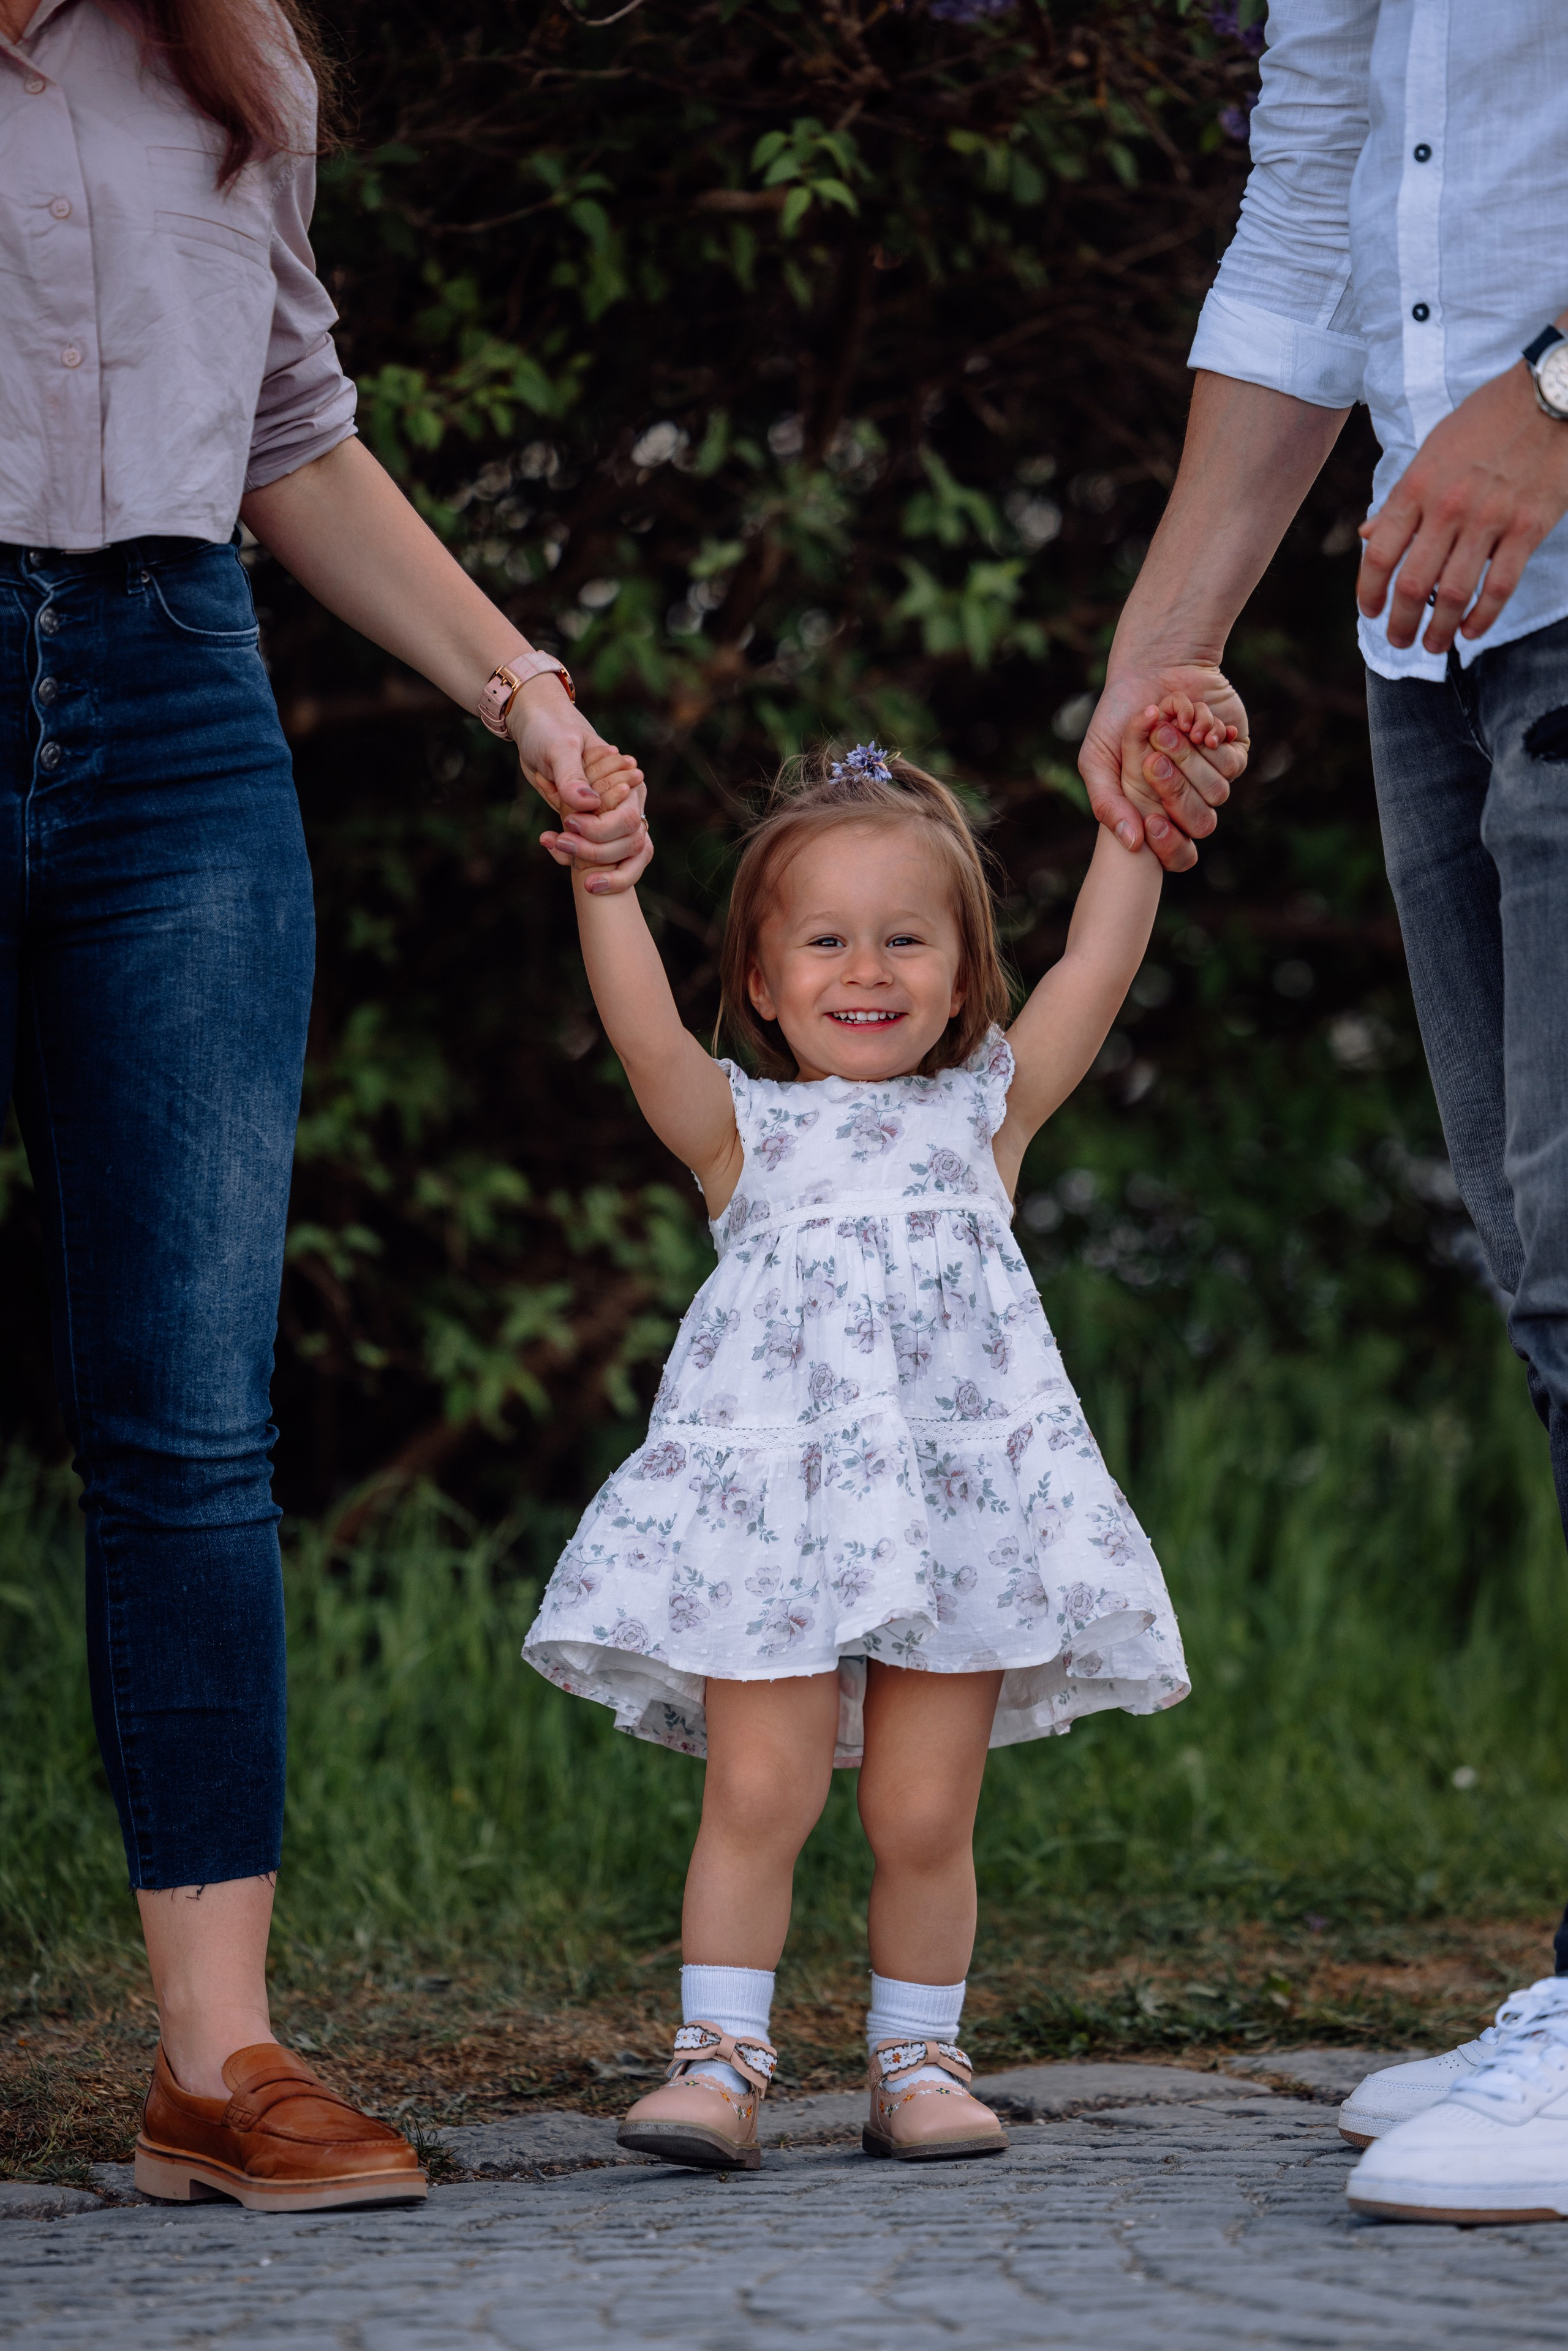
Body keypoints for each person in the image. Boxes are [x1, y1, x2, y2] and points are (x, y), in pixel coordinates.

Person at [0, 0, 646, 2214]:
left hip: (177, 710)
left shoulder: (222, 56)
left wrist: (526, 692)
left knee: (188, 1411)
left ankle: (216, 2061)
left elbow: (291, 428)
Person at [1076, 0, 1568, 2227]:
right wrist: (1154, 653)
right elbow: (1305, 235)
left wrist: (1556, 398)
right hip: (1442, 640)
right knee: (1554, 1299)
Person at [522, 735, 1193, 2170]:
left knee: (919, 1806)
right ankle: (718, 2060)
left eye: (905, 940)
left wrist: (1133, 836)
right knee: (759, 1789)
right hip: (776, 1518)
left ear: (960, 976)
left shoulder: (983, 1119)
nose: (867, 970)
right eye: (824, 941)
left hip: (952, 1518)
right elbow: (644, 1033)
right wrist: (605, 882)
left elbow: (1091, 973)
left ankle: (917, 2059)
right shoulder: (739, 1135)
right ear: (763, 984)